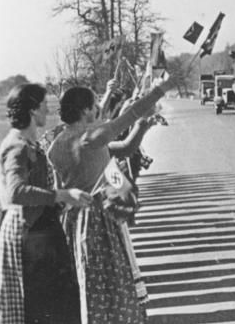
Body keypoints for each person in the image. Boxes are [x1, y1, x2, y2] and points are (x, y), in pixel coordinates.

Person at [47, 79, 170, 324]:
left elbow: (122, 148)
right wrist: (159, 90)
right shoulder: (90, 137)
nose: (98, 110)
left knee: (85, 282)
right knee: (109, 283)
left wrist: (142, 126)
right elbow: (128, 116)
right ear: (84, 110)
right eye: (94, 105)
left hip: (72, 221)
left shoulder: (56, 144)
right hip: (97, 220)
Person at [0, 83, 92, 324]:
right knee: (37, 304)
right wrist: (61, 195)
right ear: (33, 110)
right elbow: (16, 191)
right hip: (27, 234)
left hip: (38, 230)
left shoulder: (27, 143)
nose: (48, 110)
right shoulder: (18, 146)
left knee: (48, 304)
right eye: (44, 105)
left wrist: (59, 202)